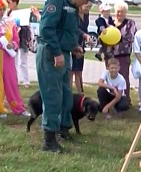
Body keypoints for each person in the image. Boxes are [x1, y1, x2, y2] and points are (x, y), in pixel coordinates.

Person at [35, 0, 91, 152]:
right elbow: (46, 29)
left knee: (66, 94)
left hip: (64, 54)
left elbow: (64, 30)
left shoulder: (72, 6)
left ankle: (63, 130)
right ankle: (49, 141)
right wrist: (56, 52)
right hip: (50, 54)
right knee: (52, 96)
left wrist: (73, 46)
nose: (86, 3)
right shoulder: (56, 2)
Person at [103, 1, 136, 104]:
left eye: (122, 12)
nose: (119, 14)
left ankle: (125, 100)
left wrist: (115, 40)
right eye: (118, 11)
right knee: (110, 77)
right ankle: (112, 99)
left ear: (125, 12)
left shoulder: (130, 23)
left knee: (123, 77)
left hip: (123, 55)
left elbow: (130, 38)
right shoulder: (109, 23)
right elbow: (104, 37)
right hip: (109, 55)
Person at [6, 0, 33, 88]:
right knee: (13, 61)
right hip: (12, 38)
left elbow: (27, 26)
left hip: (22, 38)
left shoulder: (22, 13)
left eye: (9, 2)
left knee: (23, 61)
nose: (8, 4)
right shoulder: (7, 13)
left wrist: (29, 39)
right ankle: (14, 80)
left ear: (15, 2)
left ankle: (26, 81)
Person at [71, 2, 93, 94]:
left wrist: (88, 38)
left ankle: (80, 93)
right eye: (86, 6)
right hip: (72, 43)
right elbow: (74, 28)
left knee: (79, 70)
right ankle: (69, 93)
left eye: (90, 7)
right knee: (71, 71)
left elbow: (85, 28)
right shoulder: (73, 13)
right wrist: (85, 35)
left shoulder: (86, 14)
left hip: (81, 44)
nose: (88, 9)